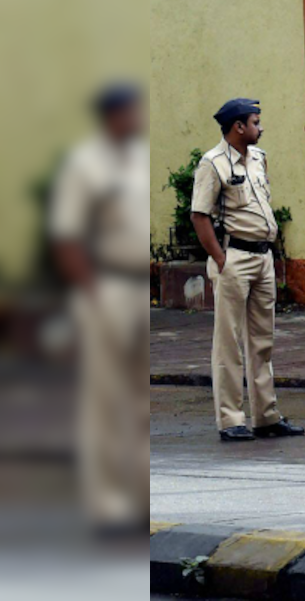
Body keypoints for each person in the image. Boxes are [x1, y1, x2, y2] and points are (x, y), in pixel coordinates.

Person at [50, 83, 150, 530]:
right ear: (113, 115)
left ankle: (137, 493)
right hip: (104, 286)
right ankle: (104, 501)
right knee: (104, 396)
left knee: (137, 398)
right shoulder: (85, 164)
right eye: (131, 111)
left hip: (137, 286)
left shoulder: (139, 159)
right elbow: (67, 236)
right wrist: (91, 293)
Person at [190, 98, 305, 442]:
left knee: (262, 341)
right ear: (238, 127)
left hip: (262, 257)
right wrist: (220, 259)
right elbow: (199, 215)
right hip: (234, 258)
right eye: (256, 122)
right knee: (228, 342)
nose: (261, 127)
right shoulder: (213, 163)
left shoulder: (259, 158)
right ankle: (230, 419)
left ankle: (266, 417)